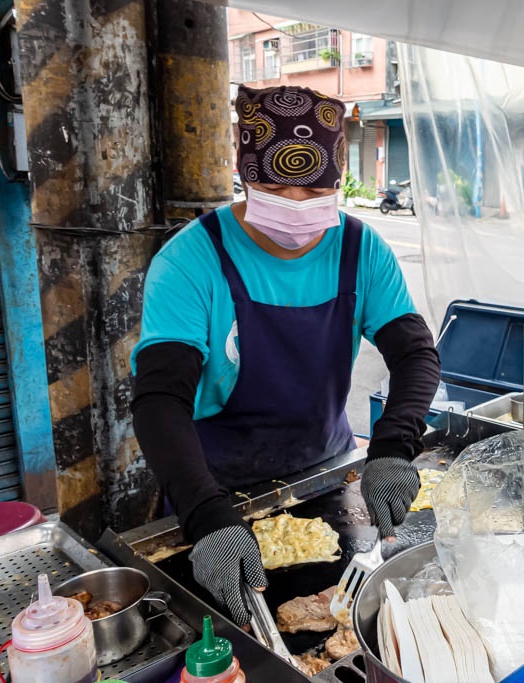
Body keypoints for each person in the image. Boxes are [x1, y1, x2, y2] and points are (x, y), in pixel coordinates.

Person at [131, 85, 441, 626]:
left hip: (327, 473)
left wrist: (393, 447)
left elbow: (415, 354)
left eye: (317, 186)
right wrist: (204, 514)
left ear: (339, 180)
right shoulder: (190, 261)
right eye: (277, 185)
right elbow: (160, 399)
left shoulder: (360, 250)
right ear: (245, 173)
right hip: (215, 487)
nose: (298, 203)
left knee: (335, 620)